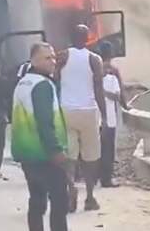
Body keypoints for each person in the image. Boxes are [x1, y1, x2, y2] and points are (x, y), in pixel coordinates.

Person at [12, 42, 69, 231]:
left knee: (37, 200)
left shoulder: (23, 83)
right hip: (45, 154)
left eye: (53, 57)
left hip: (27, 153)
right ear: (34, 60)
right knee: (60, 200)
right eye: (47, 58)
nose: (53, 61)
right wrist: (56, 150)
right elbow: (45, 122)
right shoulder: (42, 85)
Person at [56, 24, 106, 212]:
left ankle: (71, 187)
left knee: (69, 156)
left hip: (66, 111)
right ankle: (90, 196)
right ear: (87, 38)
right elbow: (99, 89)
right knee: (90, 157)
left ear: (70, 37)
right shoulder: (95, 59)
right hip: (89, 111)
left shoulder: (62, 57)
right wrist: (105, 115)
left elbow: (55, 81)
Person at [98, 41, 129, 188]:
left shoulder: (94, 69)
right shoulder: (113, 70)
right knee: (108, 147)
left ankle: (95, 176)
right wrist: (125, 106)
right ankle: (106, 178)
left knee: (97, 147)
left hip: (94, 114)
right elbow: (120, 93)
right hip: (109, 115)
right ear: (111, 54)